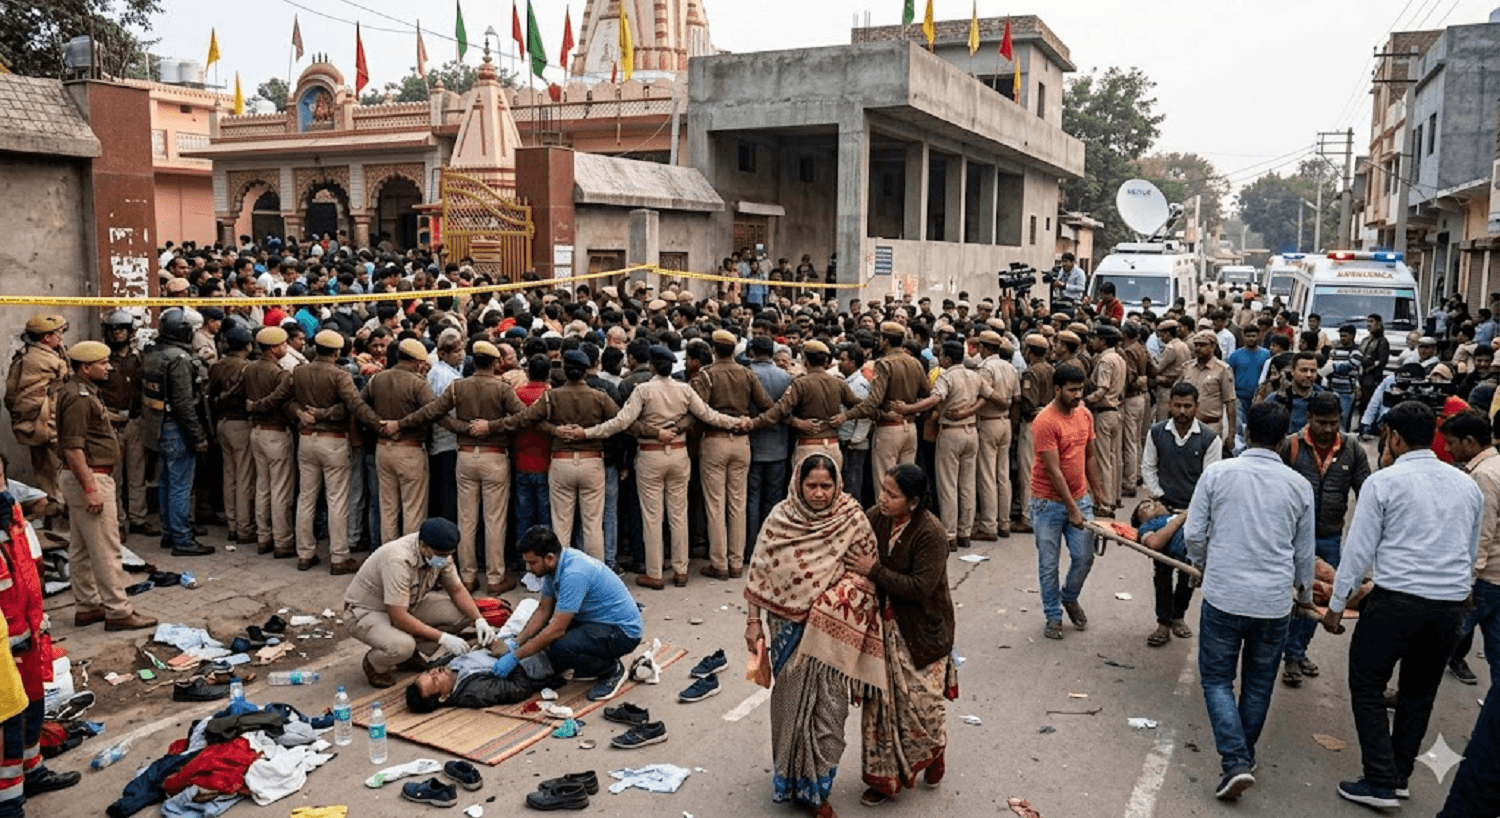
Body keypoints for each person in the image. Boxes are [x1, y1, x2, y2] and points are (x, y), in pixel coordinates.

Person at [1321, 400, 1482, 808]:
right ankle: (1399, 774)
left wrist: (1336, 606)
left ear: (1392, 436)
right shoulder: (1466, 484)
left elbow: (1357, 551)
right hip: (1447, 606)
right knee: (1418, 694)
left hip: (1396, 602)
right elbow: (1470, 547)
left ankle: (1379, 780)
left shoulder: (1385, 482)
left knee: (1367, 684)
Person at [1185, 400, 1316, 801]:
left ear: (1245, 433)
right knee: (1258, 684)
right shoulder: (1299, 485)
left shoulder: (1219, 473)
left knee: (1216, 679)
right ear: (1284, 440)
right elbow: (1304, 554)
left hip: (1225, 595)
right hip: (1274, 601)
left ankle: (1236, 761)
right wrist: (1306, 595)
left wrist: (1204, 564)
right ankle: (1244, 757)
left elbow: (1193, 534)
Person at [744, 454, 886, 818]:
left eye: (826, 486)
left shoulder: (851, 519)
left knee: (830, 713)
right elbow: (760, 572)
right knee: (790, 707)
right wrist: (753, 622)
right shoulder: (781, 519)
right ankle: (791, 781)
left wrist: (831, 603)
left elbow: (869, 575)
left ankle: (818, 789)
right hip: (787, 627)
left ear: (837, 484)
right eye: (812, 486)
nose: (820, 494)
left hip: (832, 639)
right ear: (798, 484)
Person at [563, 346, 748, 590]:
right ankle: (681, 570)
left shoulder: (644, 390)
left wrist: (586, 433)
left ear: (651, 365)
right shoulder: (684, 390)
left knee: (652, 517)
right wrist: (739, 422)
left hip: (651, 455)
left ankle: (655, 572)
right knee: (678, 514)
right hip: (679, 454)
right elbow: (710, 416)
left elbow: (620, 423)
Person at [843, 463, 955, 807]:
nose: (883, 498)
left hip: (922, 632)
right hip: (881, 630)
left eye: (892, 494)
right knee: (881, 708)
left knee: (923, 706)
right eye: (882, 490)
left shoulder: (931, 533)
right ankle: (882, 779)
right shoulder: (875, 517)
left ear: (914, 501)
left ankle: (934, 752)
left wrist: (874, 571)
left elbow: (921, 588)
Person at [399, 340, 531, 593]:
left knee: (467, 519)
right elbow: (524, 416)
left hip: (465, 455)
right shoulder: (502, 389)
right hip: (494, 456)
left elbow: (434, 412)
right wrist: (492, 427)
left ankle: (467, 577)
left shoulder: (459, 387)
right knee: (494, 520)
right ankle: (495, 578)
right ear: (495, 363)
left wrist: (462, 428)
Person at [56, 342, 157, 632]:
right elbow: (73, 448)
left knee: (81, 548)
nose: (109, 367)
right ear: (86, 368)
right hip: (90, 476)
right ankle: (118, 611)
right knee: (107, 549)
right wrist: (90, 488)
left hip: (85, 476)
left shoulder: (80, 391)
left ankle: (88, 606)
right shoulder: (79, 397)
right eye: (103, 363)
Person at [0, 453, 81, 816]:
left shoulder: (11, 512)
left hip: (27, 629)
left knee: (33, 703)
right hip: (5, 639)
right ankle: (10, 801)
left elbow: (28, 571)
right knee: (7, 726)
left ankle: (32, 771)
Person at [1276, 392, 1369, 687]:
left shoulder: (1353, 449)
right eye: (1321, 422)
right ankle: (1281, 651)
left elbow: (1367, 494)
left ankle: (1296, 653)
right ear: (1308, 419)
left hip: (1329, 537)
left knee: (1318, 600)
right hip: (1289, 539)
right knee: (1288, 598)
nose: (1328, 429)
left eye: (1333, 423)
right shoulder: (1290, 446)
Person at [501, 350, 620, 563]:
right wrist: (591, 432)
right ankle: (597, 578)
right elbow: (621, 421)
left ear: (564, 371)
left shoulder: (551, 397)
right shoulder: (599, 397)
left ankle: (561, 576)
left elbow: (526, 419)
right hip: (591, 460)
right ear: (586, 371)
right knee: (593, 525)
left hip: (561, 461)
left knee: (561, 525)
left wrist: (554, 430)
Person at [344, 518, 492, 689]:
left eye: (448, 554)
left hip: (408, 604)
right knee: (402, 646)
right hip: (367, 611)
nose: (444, 559)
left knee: (465, 613)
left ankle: (410, 655)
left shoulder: (440, 552)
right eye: (440, 555)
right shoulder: (398, 560)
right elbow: (398, 616)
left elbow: (457, 590)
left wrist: (479, 619)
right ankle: (375, 663)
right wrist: (443, 638)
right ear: (423, 546)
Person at [292, 330, 385, 574]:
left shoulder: (299, 372)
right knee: (337, 500)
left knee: (306, 498)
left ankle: (305, 553)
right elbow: (355, 406)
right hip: (332, 441)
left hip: (306, 439)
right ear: (337, 352)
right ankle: (338, 556)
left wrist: (300, 413)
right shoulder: (340, 375)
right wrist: (379, 424)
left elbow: (284, 399)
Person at [1139, 383, 1220, 646]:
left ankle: (1178, 616)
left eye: (1187, 406)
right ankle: (1163, 622)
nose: (1182, 411)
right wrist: (1159, 498)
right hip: (1163, 510)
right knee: (1161, 567)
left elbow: (1210, 482)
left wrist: (1192, 511)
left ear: (1196, 407)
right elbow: (1149, 467)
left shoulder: (1210, 439)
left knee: (1188, 568)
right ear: (1169, 405)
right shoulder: (1156, 433)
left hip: (1196, 514)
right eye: (1177, 405)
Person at [689, 330, 773, 578]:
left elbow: (700, 412)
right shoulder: (747, 374)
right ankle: (737, 563)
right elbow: (768, 405)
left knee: (715, 505)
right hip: (742, 441)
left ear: (714, 349)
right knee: (738, 503)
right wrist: (752, 422)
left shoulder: (706, 375)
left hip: (714, 441)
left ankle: (720, 563)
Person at [1030, 364, 1103, 641]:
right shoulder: (1045, 421)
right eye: (1072, 390)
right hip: (1047, 503)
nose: (1077, 395)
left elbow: (1090, 457)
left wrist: (1099, 494)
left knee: (1084, 557)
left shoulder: (1084, 414)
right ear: (1057, 389)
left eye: (1080, 389)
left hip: (1080, 499)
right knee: (1048, 564)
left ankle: (1069, 597)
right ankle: (1053, 616)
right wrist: (1071, 507)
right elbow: (1053, 470)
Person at [893, 341, 989, 550]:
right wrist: (969, 411)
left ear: (946, 358)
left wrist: (908, 407)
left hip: (951, 432)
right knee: (967, 485)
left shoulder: (947, 376)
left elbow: (934, 399)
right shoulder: (974, 375)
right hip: (971, 431)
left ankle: (949, 535)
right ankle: (965, 532)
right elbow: (989, 396)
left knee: (948, 485)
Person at [140, 309, 213, 557]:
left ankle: (169, 532)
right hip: (176, 427)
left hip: (158, 425)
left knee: (167, 482)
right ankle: (182, 538)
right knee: (181, 485)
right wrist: (198, 435)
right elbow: (183, 403)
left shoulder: (152, 353)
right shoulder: (179, 358)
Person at [1441, 409, 1500, 686]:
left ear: (1470, 442)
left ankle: (1409, 696)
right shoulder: (1492, 467)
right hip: (1493, 577)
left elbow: (1482, 534)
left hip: (1484, 577)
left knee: (1437, 642)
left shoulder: (1484, 477)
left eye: (1451, 443)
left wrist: (1468, 582)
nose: (1447, 449)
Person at [834, 322, 931, 481]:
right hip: (910, 428)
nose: (878, 341)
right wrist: (912, 409)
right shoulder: (915, 362)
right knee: (905, 484)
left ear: (886, 341)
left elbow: (873, 401)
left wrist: (847, 416)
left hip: (889, 430)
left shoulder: (884, 363)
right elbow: (928, 395)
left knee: (885, 482)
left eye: (880, 338)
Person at [363, 338, 437, 543]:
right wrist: (401, 424)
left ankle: (388, 558)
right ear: (417, 362)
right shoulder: (418, 384)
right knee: (413, 509)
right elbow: (431, 412)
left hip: (383, 449)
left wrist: (379, 424)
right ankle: (409, 558)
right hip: (410, 450)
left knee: (388, 508)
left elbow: (359, 407)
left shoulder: (377, 380)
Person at [242, 327, 296, 558]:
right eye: (284, 344)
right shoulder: (280, 374)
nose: (286, 348)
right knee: (280, 489)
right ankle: (281, 540)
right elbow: (278, 400)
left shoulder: (249, 369)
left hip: (256, 432)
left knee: (262, 486)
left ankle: (263, 536)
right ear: (275, 348)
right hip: (276, 433)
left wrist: (252, 407)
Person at [5, 314, 67, 503]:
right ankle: (61, 508)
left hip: (32, 425)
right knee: (68, 464)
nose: (61, 337)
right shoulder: (48, 359)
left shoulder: (24, 355)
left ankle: (53, 508)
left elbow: (11, 395)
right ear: (45, 338)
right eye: (58, 333)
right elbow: (67, 383)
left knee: (43, 470)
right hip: (49, 422)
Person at [205, 328, 255, 545]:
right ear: (248, 346)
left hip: (221, 423)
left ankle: (232, 524)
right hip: (240, 423)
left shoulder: (217, 366)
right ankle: (244, 527)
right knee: (244, 477)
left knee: (229, 476)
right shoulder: (247, 368)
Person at [404, 648, 566, 713]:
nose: (435, 671)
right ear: (443, 696)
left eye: (429, 672)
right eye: (435, 680)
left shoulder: (445, 668)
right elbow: (520, 687)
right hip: (533, 661)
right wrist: (511, 657)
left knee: (528, 605)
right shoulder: (474, 691)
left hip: (508, 643)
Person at [973, 332, 1020, 539]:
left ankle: (989, 525)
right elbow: (1017, 398)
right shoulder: (1009, 367)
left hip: (989, 422)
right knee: (1003, 475)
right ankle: (1004, 522)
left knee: (987, 475)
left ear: (984, 347)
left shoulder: (986, 368)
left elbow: (982, 395)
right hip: (1005, 422)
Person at [1083, 325, 1126, 517]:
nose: (1093, 342)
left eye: (1096, 338)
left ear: (1103, 340)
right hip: (1115, 410)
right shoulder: (1118, 358)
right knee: (1111, 457)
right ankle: (1112, 497)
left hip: (1104, 411)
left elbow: (1102, 389)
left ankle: (1105, 502)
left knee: (1102, 460)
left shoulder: (1106, 360)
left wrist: (1085, 401)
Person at [1013, 335, 1055, 533]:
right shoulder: (1051, 369)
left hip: (1032, 425)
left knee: (1028, 471)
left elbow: (1029, 404)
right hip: (1050, 424)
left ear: (1029, 350)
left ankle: (1028, 516)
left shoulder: (1031, 373)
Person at [1178, 330, 1236, 454]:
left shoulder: (1222, 370)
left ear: (1213, 347)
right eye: (1196, 345)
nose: (1198, 348)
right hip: (1187, 425)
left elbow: (1230, 402)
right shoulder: (1187, 368)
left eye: (1203, 345)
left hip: (1211, 426)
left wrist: (1231, 434)